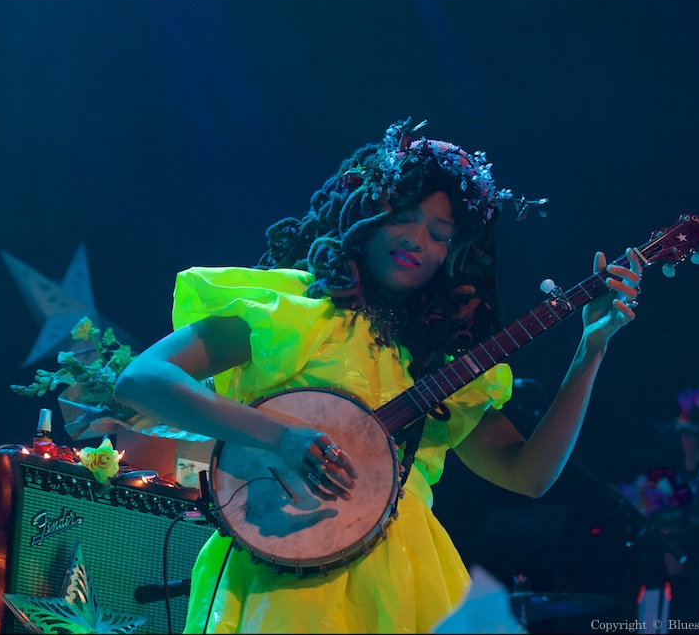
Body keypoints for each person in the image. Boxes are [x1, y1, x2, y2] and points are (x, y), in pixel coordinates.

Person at [113, 118, 642, 633]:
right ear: (366, 212)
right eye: (404, 215)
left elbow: (528, 475)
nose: (417, 239)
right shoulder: (294, 310)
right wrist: (282, 436)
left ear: (451, 255)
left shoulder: (440, 364)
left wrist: (590, 349)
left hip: (405, 580)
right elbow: (143, 379)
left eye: (439, 233)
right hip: (280, 577)